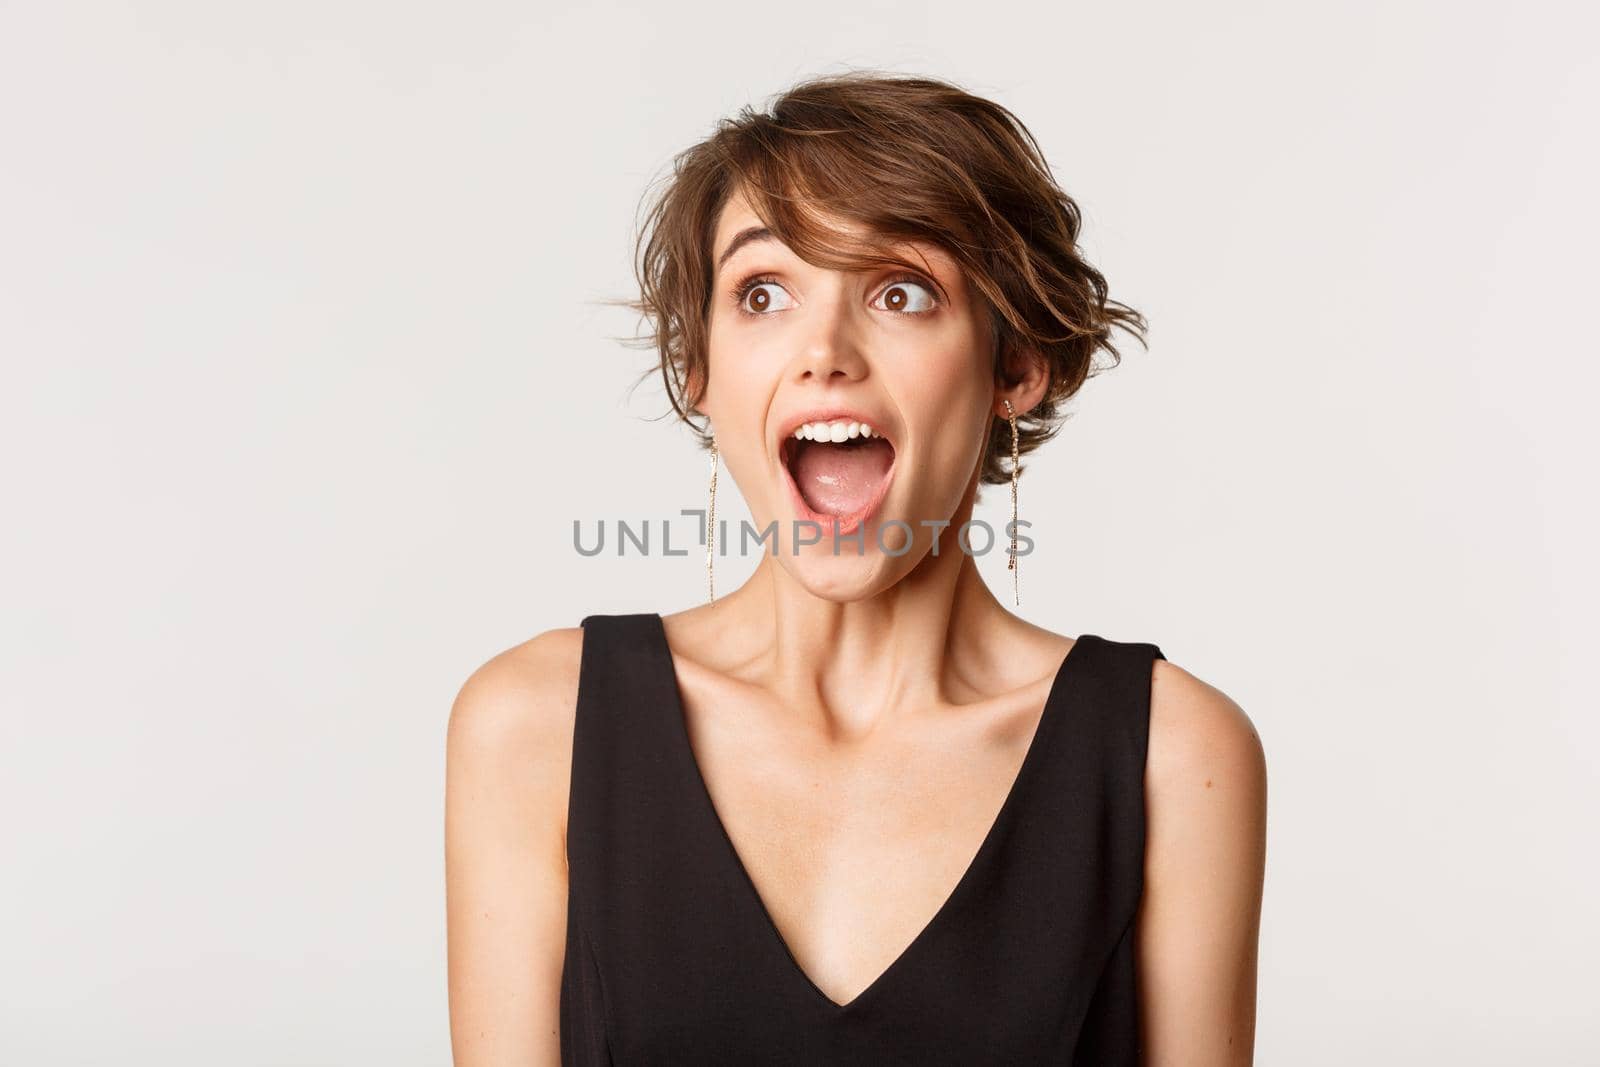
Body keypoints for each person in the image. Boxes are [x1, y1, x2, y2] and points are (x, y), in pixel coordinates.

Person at [445, 70, 1267, 1066]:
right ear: (700, 367)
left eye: (901, 292)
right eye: (762, 292)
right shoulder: (535, 726)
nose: (823, 351)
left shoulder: (1169, 753)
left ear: (1015, 365)